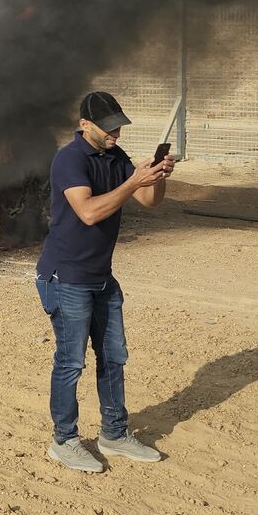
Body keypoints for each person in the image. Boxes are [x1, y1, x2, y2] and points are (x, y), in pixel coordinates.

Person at [35, 91, 175, 472]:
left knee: (113, 358)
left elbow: (149, 201)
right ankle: (64, 440)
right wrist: (133, 183)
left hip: (101, 278)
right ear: (85, 125)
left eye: (119, 125)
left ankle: (114, 433)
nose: (116, 131)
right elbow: (90, 212)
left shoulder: (116, 156)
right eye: (109, 126)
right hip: (66, 277)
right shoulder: (70, 159)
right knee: (70, 363)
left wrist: (156, 176)